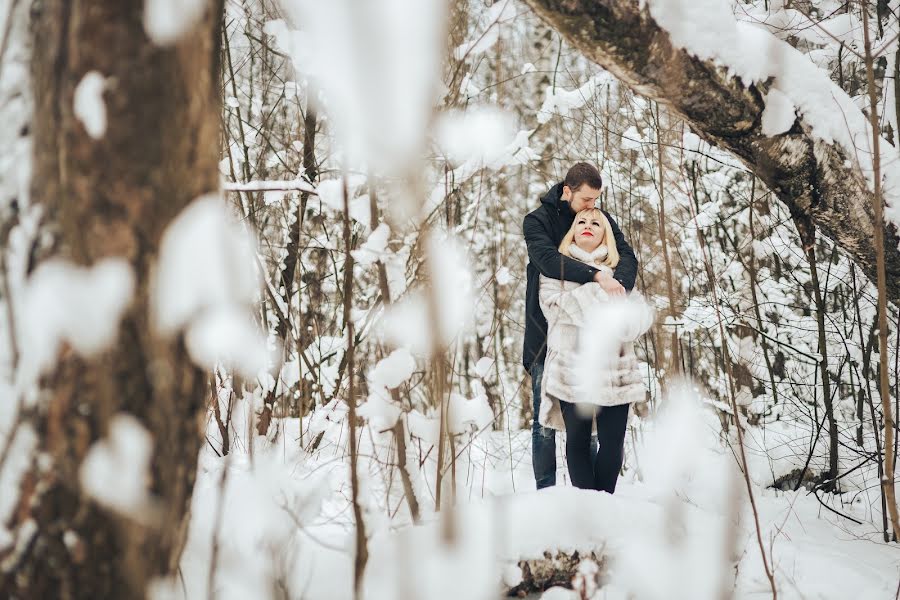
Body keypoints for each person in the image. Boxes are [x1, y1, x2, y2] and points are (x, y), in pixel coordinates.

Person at [523, 162, 638, 489]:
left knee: (590, 430)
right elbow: (546, 261)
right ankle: (546, 493)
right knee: (544, 423)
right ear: (567, 191)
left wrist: (621, 290)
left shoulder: (594, 216)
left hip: (601, 346)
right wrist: (598, 277)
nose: (592, 208)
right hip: (547, 335)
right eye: (586, 200)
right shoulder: (538, 221)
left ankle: (587, 498)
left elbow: (625, 255)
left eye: (595, 201)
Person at [538, 207, 651, 492]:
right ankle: (587, 511)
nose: (588, 226)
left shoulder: (621, 273)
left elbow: (639, 318)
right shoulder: (556, 268)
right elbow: (553, 306)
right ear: (572, 230)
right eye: (582, 222)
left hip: (617, 372)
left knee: (613, 444)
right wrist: (601, 290)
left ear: (605, 235)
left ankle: (605, 507)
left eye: (596, 224)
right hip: (572, 369)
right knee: (576, 442)